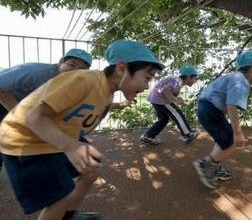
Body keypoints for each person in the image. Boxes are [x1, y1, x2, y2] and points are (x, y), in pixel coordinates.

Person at [0, 39, 163, 219]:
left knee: (91, 169)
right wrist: (71, 146)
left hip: (52, 135)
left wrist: (75, 143)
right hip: (24, 140)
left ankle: (68, 215)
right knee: (59, 197)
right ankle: (61, 210)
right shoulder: (83, 80)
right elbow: (34, 116)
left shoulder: (106, 93)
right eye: (147, 78)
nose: (147, 85)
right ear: (122, 68)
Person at [0, 48, 92, 174]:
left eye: (81, 70)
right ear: (60, 62)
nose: (75, 71)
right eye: (72, 65)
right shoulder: (34, 72)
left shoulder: (74, 83)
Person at [193, 50, 252, 189]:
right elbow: (231, 105)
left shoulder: (236, 77)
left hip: (208, 108)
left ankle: (215, 167)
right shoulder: (241, 81)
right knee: (232, 142)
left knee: (224, 139)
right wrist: (237, 132)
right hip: (210, 110)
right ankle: (205, 165)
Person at [140, 64, 200, 145]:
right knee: (178, 114)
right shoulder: (177, 82)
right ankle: (188, 134)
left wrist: (177, 98)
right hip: (161, 100)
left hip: (155, 99)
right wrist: (175, 100)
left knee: (163, 119)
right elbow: (164, 90)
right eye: (195, 78)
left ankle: (148, 136)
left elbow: (169, 90)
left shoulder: (176, 81)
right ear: (189, 77)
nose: (195, 81)